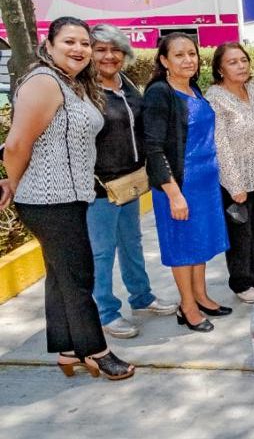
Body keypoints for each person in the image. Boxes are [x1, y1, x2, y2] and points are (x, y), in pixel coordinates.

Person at [1, 17, 134, 379]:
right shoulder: (44, 82)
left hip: (68, 196)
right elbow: (16, 144)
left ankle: (66, 350)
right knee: (78, 276)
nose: (79, 49)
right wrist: (12, 184)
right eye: (69, 42)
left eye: (84, 43)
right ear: (49, 46)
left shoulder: (69, 83)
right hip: (47, 199)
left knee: (61, 276)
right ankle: (96, 351)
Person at [88, 24, 177, 339]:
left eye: (115, 50)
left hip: (130, 181)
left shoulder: (124, 84)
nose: (109, 56)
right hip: (98, 187)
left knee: (131, 243)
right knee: (101, 251)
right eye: (100, 49)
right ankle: (106, 313)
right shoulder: (83, 90)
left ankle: (142, 297)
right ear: (89, 53)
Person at [144, 33, 231, 333]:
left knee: (200, 243)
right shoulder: (160, 93)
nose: (188, 60)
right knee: (183, 247)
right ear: (164, 60)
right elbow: (153, 148)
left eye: (192, 54)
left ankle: (201, 295)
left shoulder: (193, 88)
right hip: (180, 185)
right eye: (179, 55)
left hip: (205, 183)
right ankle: (188, 307)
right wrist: (173, 194)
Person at [206, 43, 254, 304]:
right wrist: (235, 185)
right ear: (220, 68)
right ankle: (241, 281)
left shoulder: (252, 89)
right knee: (241, 235)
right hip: (235, 180)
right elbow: (221, 145)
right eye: (233, 62)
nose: (241, 66)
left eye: (243, 60)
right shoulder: (216, 98)